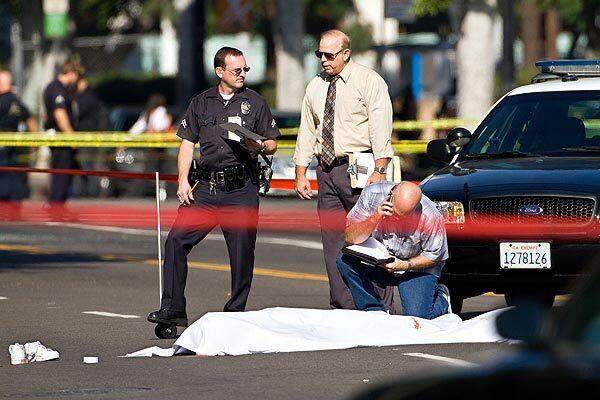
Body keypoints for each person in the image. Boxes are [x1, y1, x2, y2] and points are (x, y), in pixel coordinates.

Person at [148, 47, 280, 326]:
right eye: (237, 70)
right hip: (206, 187)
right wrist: (182, 180)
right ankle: (173, 308)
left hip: (240, 188)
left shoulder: (254, 102)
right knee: (176, 241)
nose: (243, 74)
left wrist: (259, 145)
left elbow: (272, 142)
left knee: (242, 252)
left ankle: (234, 312)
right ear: (220, 72)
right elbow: (186, 142)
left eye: (245, 69)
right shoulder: (201, 103)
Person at [293, 29, 395, 309]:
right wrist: (301, 171)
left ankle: (379, 305)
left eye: (329, 54)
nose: (323, 60)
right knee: (333, 242)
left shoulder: (368, 80)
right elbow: (308, 128)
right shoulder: (315, 85)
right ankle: (343, 305)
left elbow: (380, 124)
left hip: (361, 166)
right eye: (319, 54)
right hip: (327, 170)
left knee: (370, 236)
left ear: (346, 54)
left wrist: (380, 168)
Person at [337, 181, 451, 319]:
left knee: (416, 319)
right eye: (395, 213)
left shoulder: (431, 215)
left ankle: (442, 300)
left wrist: (404, 264)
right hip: (382, 261)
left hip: (414, 269)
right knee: (344, 261)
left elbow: (436, 256)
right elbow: (350, 237)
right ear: (390, 195)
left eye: (404, 217)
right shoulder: (372, 194)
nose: (396, 219)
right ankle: (373, 310)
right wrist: (375, 218)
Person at [43, 60, 81, 212]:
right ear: (71, 73)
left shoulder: (53, 87)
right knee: (62, 172)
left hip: (58, 137)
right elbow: (60, 115)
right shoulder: (58, 89)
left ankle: (57, 204)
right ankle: (56, 205)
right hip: (61, 139)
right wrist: (71, 138)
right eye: (77, 75)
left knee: (61, 171)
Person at [0, 70, 37, 220]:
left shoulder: (1, 101)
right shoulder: (17, 102)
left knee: (3, 175)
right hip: (15, 143)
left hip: (2, 144)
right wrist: (34, 141)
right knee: (14, 174)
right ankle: (16, 207)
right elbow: (31, 121)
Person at [73, 76, 108, 197]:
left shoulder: (86, 97)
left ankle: (91, 192)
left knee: (87, 166)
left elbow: (77, 112)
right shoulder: (90, 96)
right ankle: (86, 190)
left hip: (87, 137)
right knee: (85, 165)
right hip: (88, 136)